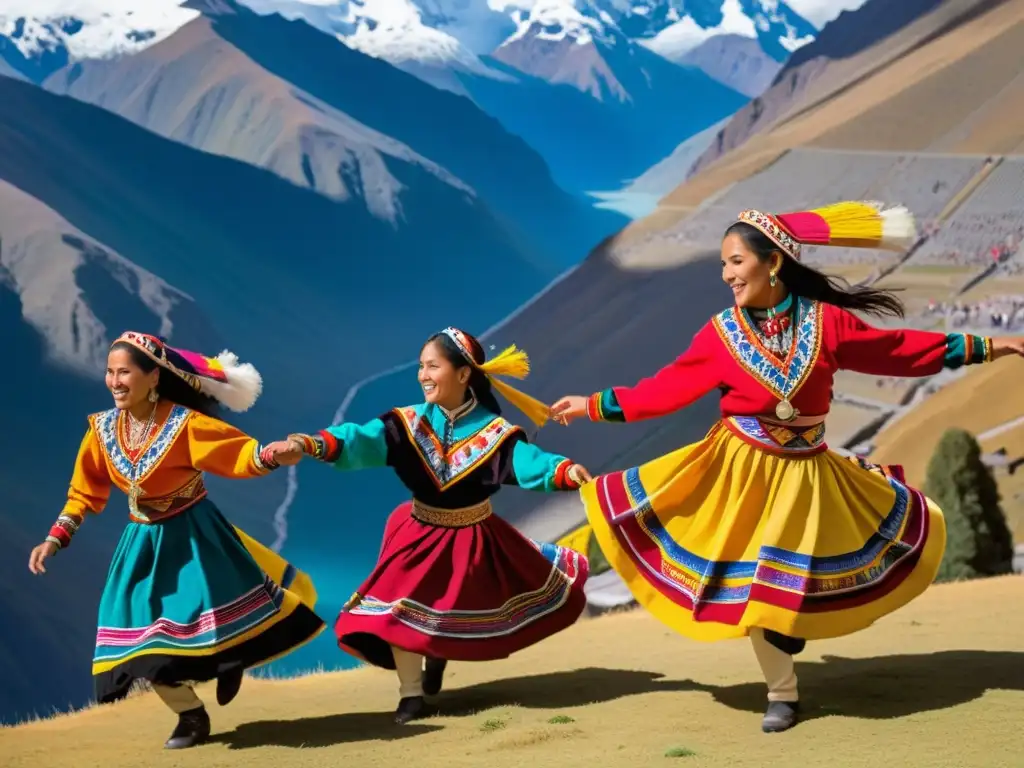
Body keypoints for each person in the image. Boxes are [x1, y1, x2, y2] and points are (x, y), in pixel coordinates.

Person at [548, 201, 1024, 734]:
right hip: (738, 475)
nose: (727, 275)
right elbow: (664, 390)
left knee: (799, 587)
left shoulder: (827, 322)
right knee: (757, 591)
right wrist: (592, 405)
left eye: (735, 262)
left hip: (808, 474)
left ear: (771, 262)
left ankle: (788, 636)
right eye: (723, 266)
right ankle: (783, 694)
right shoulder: (720, 334)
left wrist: (986, 346)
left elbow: (895, 350)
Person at [264, 328, 592, 724]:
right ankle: (411, 695)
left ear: (464, 374)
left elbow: (525, 462)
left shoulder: (495, 436)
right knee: (399, 609)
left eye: (432, 366)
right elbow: (359, 439)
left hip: (472, 536)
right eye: (420, 366)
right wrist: (305, 445)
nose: (423, 375)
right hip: (416, 532)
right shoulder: (406, 424)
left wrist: (563, 471)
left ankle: (437, 653)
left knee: (449, 609)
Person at [27, 332, 325, 749]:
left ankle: (224, 663)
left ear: (153, 378)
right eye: (110, 372)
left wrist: (272, 456)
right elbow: (83, 492)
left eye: (124, 372)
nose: (114, 381)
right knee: (140, 648)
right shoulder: (101, 431)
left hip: (195, 539)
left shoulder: (184, 425)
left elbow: (238, 455)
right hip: (140, 547)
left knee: (203, 624)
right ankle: (191, 714)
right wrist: (55, 539)